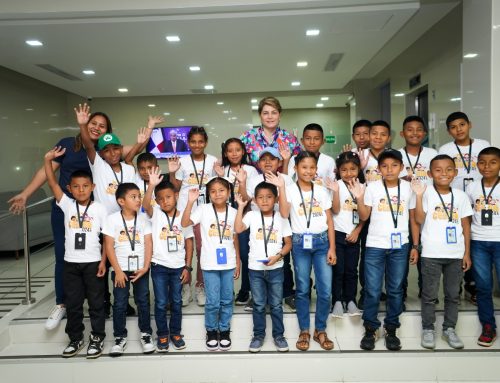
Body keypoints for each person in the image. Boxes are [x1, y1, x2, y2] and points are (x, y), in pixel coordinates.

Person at [8, 104, 115, 330]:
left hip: (93, 214)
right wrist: (26, 194)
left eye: (101, 126)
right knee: (63, 258)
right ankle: (62, 303)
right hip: (65, 211)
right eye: (93, 123)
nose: (96, 128)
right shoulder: (67, 144)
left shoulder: (105, 150)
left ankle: (99, 301)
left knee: (96, 258)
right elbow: (46, 171)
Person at [349, 149, 418, 351]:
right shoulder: (372, 187)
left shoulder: (409, 188)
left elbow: (414, 219)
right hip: (375, 245)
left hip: (400, 245)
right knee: (372, 290)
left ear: (401, 167)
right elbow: (364, 216)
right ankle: (370, 328)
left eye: (394, 166)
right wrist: (360, 198)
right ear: (378, 169)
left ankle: (391, 328)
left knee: (395, 289)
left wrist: (415, 245)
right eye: (385, 166)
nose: (389, 170)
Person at [43, 146, 107, 359]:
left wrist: (103, 262)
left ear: (93, 187)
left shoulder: (99, 209)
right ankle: (75, 338)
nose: (81, 190)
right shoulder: (67, 205)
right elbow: (52, 182)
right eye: (76, 187)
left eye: (85, 186)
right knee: (74, 303)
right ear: (69, 188)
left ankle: (97, 337)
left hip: (93, 262)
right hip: (71, 264)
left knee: (97, 303)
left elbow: (107, 238)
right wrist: (47, 160)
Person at [412, 154, 473, 349]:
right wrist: (420, 195)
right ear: (430, 173)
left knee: (453, 294)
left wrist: (466, 253)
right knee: (429, 294)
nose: (443, 174)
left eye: (448, 169)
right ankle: (428, 329)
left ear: (455, 173)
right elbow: (419, 220)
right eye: (438, 170)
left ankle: (449, 328)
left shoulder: (461, 197)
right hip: (431, 253)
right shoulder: (426, 192)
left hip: (455, 254)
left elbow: (466, 227)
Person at [284, 151, 336, 351]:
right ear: (296, 168)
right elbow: (282, 213)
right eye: (304, 167)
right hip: (299, 243)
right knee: (303, 289)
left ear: (316, 169)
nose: (308, 171)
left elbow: (329, 220)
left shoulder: (321, 190)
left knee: (325, 289)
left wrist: (332, 248)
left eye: (312, 167)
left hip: (322, 242)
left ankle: (320, 329)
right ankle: (304, 329)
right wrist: (281, 189)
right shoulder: (289, 189)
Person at [181, 177, 240, 351]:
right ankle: (212, 330)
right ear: (208, 194)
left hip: (228, 262)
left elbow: (235, 237)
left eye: (221, 190)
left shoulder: (234, 212)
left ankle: (225, 329)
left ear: (229, 192)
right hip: (209, 263)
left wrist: (238, 260)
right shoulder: (203, 209)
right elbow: (184, 223)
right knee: (213, 301)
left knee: (227, 299)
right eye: (213, 191)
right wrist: (190, 202)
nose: (217, 194)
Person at [234, 182, 292, 353]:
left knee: (275, 304)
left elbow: (288, 244)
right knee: (259, 304)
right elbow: (238, 228)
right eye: (260, 197)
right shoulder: (251, 215)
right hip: (256, 269)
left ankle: (279, 336)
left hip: (276, 268)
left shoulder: (281, 218)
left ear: (275, 199)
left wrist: (278, 256)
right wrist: (240, 208)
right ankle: (258, 336)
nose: (265, 201)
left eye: (269, 197)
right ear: (255, 200)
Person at [438, 111, 490, 304]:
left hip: (481, 200)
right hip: (455, 202)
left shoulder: (483, 145)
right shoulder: (445, 149)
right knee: (458, 242)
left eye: (461, 125)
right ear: (448, 131)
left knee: (474, 242)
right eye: (453, 127)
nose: (458, 129)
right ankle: (456, 286)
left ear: (469, 124)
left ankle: (472, 284)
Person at [143, 167, 194, 351]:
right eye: (161, 198)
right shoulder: (155, 212)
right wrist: (151, 186)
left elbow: (189, 243)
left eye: (169, 197)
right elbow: (146, 204)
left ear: (176, 196)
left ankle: (176, 332)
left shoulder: (184, 218)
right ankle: (162, 335)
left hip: (179, 267)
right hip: (159, 265)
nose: (165, 201)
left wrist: (188, 267)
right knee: (161, 302)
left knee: (177, 302)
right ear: (157, 200)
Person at [103, 183, 155, 356]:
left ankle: (146, 334)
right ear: (121, 201)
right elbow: (108, 246)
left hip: (141, 269)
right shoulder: (112, 220)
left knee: (143, 301)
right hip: (120, 270)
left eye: (139, 196)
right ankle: (119, 337)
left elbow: (148, 243)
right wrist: (117, 270)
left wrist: (146, 266)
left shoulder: (144, 219)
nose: (138, 200)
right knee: (119, 304)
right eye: (133, 197)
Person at [168, 126, 217, 307]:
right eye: (193, 141)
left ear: (205, 143)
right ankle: (185, 286)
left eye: (200, 141)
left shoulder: (212, 161)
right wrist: (172, 172)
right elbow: (175, 187)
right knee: (184, 251)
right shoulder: (182, 161)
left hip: (205, 212)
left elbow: (216, 185)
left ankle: (200, 286)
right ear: (188, 143)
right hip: (185, 210)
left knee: (204, 249)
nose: (197, 145)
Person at [246, 147, 296, 311]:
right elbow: (247, 199)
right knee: (255, 260)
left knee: (283, 262)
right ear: (259, 163)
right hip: (258, 225)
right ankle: (257, 296)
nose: (268, 162)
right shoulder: (254, 179)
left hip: (279, 223)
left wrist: (280, 188)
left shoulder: (286, 180)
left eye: (272, 159)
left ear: (279, 162)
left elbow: (285, 209)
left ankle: (287, 293)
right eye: (264, 159)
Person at [214, 138, 258, 307]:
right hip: (224, 218)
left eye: (237, 150)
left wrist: (242, 182)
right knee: (225, 253)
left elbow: (248, 199)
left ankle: (246, 290)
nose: (234, 153)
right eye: (230, 150)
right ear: (225, 153)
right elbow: (216, 195)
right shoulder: (221, 170)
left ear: (243, 152)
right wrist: (219, 177)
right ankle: (225, 291)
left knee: (245, 255)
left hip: (243, 216)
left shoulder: (250, 170)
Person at [398, 116, 438, 301]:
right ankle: (401, 289)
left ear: (424, 133)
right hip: (401, 209)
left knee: (427, 250)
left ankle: (427, 290)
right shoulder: (395, 154)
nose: (414, 133)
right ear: (402, 133)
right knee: (403, 251)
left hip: (427, 208)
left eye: (418, 129)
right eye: (409, 129)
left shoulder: (432, 154)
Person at [466, 147, 500, 346]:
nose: (487, 167)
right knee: (483, 287)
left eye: (493, 162)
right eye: (482, 163)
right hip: (478, 242)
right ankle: (488, 327)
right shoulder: (472, 188)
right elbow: (468, 217)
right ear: (477, 164)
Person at [326, 151, 366, 318]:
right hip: (338, 233)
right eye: (344, 170)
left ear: (359, 169)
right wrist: (335, 191)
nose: (348, 173)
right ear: (338, 171)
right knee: (338, 269)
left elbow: (365, 215)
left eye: (352, 169)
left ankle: (350, 300)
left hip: (354, 235)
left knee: (351, 270)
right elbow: (335, 210)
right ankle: (337, 301)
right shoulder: (337, 186)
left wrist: (357, 231)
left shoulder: (364, 187)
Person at [240, 96, 301, 169]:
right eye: (265, 113)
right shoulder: (247, 137)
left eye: (274, 113)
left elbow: (301, 164)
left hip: (283, 179)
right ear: (260, 115)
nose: (270, 116)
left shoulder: (291, 139)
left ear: (279, 115)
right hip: (255, 179)